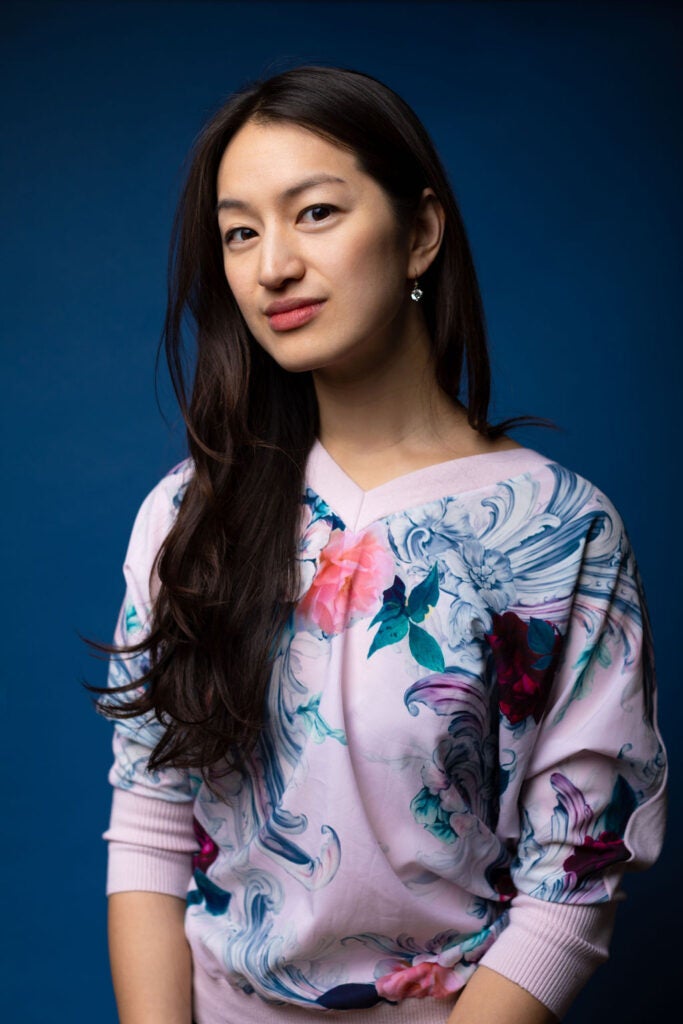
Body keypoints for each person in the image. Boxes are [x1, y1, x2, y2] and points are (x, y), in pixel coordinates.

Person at [97, 65, 667, 1024]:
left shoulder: (558, 529)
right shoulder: (191, 513)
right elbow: (149, 824)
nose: (270, 264)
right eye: (240, 232)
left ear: (420, 233)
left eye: (313, 212)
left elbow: (572, 880)